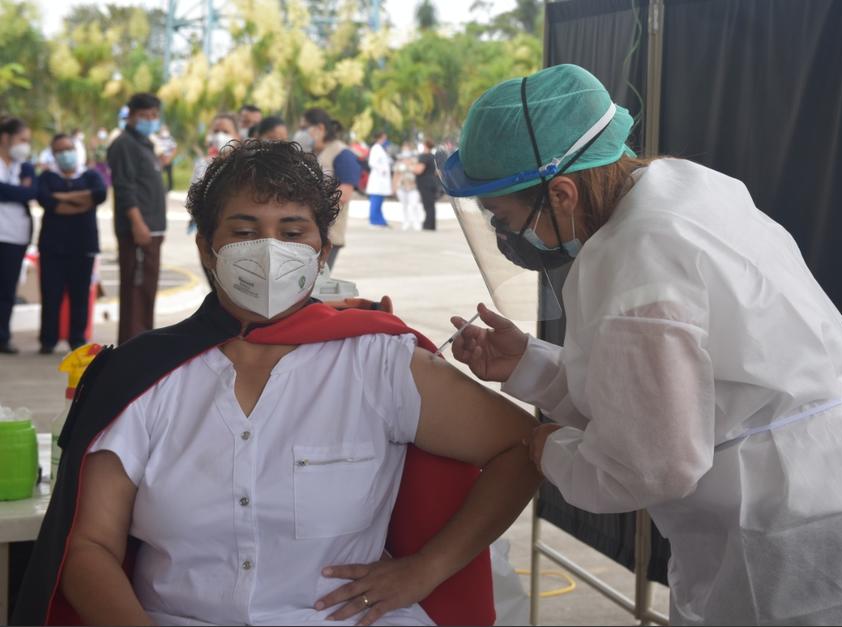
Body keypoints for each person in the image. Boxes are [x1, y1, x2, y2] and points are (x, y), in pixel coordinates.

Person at [440, 64, 842, 625]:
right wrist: (528, 364)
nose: (509, 238)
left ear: (561, 191)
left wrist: (546, 447)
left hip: (807, 549)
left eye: (505, 220)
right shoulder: (683, 190)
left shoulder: (639, 255)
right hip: (833, 497)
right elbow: (663, 393)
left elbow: (651, 464)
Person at [14, 140, 541, 626]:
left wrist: (426, 570)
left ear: (321, 250)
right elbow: (90, 547)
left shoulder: (378, 362)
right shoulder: (143, 376)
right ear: (206, 248)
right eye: (244, 231)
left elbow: (523, 447)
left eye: (292, 233)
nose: (269, 250)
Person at [35, 134, 107, 354]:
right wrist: (81, 201)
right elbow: (48, 202)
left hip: (83, 245)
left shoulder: (91, 175)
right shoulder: (47, 177)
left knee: (80, 294)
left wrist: (63, 197)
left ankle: (77, 338)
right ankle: (48, 340)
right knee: (51, 294)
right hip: (52, 246)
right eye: (60, 150)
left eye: (69, 148)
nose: (66, 154)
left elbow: (99, 194)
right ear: (54, 154)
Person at [107, 92, 166, 345]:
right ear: (131, 115)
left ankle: (143, 342)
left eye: (154, 115)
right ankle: (132, 346)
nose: (150, 120)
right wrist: (137, 223)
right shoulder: (124, 144)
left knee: (146, 291)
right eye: (144, 115)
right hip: (138, 230)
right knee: (135, 291)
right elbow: (124, 187)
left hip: (153, 228)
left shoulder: (145, 143)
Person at [296, 108, 362, 269]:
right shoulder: (313, 153)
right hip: (305, 231)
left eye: (305, 128)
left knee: (316, 283)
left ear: (320, 128)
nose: (301, 133)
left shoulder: (342, 154)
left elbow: (344, 194)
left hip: (328, 234)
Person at [0, 116, 36, 355]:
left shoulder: (24, 167)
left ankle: (3, 336)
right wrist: (21, 191)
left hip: (16, 237)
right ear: (5, 138)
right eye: (22, 139)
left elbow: (33, 191)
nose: (25, 145)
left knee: (7, 291)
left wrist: (22, 191)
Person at [393, 142, 422, 231]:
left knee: (414, 205)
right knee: (404, 206)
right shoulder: (398, 162)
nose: (405, 152)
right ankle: (406, 222)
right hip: (401, 187)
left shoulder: (415, 161)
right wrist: (394, 187)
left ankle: (416, 222)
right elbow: (396, 174)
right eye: (404, 149)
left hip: (413, 187)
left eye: (407, 149)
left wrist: (409, 165)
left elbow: (418, 171)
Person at [365, 131, 392, 227]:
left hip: (381, 180)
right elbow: (372, 162)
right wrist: (381, 170)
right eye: (384, 138)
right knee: (375, 201)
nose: (385, 140)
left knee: (379, 201)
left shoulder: (381, 148)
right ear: (379, 138)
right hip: (377, 179)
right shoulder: (376, 148)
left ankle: (380, 220)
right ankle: (374, 220)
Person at [414, 139, 439, 231]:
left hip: (425, 183)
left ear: (425, 145)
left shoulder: (424, 157)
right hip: (432, 182)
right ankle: (432, 225)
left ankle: (428, 225)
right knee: (431, 205)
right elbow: (437, 172)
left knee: (427, 205)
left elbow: (419, 170)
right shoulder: (433, 156)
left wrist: (410, 167)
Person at [154, 126, 178, 191]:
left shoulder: (170, 139)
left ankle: (170, 188)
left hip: (168, 159)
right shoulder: (157, 139)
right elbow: (155, 149)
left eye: (165, 130)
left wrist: (169, 158)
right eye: (163, 130)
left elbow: (174, 149)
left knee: (169, 175)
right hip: (159, 160)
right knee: (158, 175)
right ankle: (159, 187)